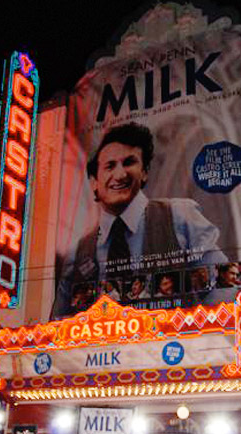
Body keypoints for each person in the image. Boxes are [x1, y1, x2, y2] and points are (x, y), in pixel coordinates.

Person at [52, 122, 229, 317]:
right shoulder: (77, 253)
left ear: (144, 172)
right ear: (94, 182)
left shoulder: (179, 215)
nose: (120, 174)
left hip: (173, 346)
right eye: (110, 166)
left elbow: (224, 285)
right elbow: (59, 323)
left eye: (129, 162)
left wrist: (197, 337)